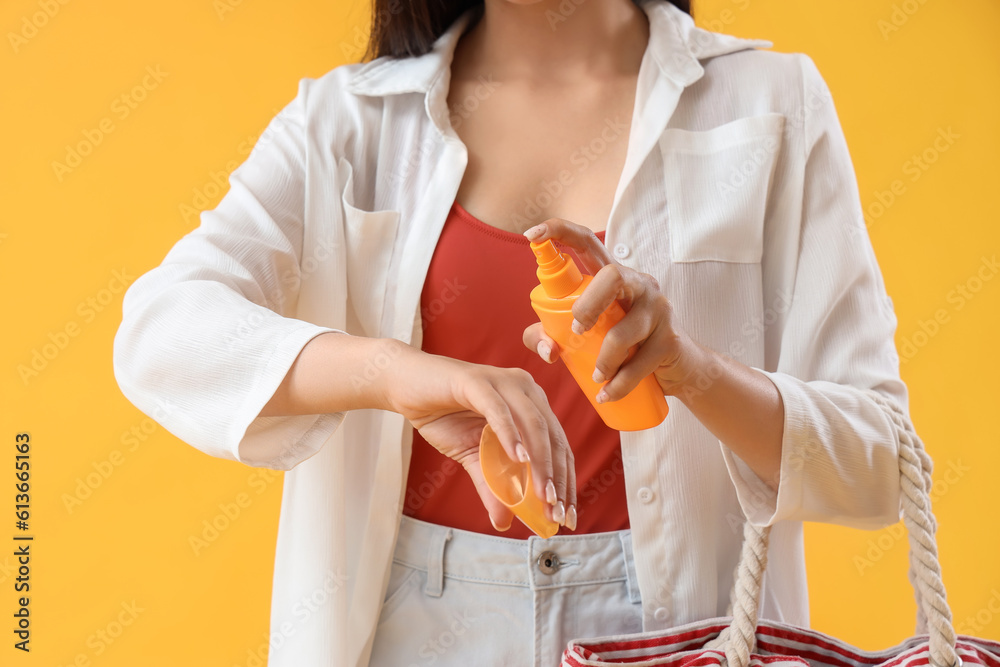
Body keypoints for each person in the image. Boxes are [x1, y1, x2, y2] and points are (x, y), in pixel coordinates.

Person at [112, 0, 911, 665]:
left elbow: (879, 458)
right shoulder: (348, 122)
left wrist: (690, 369)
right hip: (411, 628)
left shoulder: (770, 103)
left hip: (678, 630)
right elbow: (160, 333)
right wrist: (396, 372)